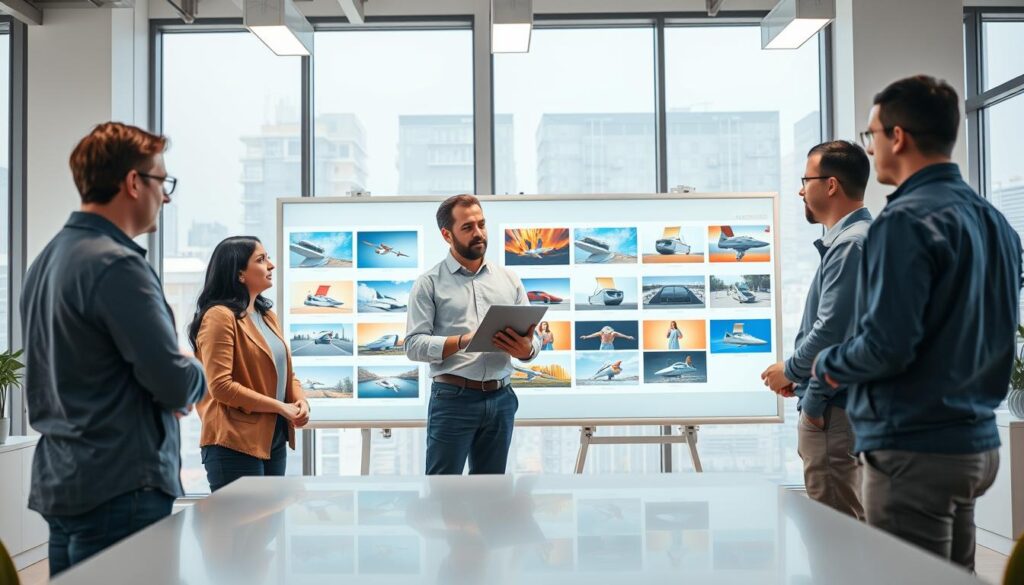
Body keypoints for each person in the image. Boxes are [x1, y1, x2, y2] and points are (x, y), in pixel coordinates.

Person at [812, 75, 1021, 570]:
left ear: (897, 136)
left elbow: (886, 346)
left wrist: (825, 365)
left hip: (913, 450)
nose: (872, 147)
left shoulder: (905, 221)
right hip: (974, 445)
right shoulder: (995, 222)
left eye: (871, 135)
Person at [20, 122, 207, 576]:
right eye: (162, 181)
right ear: (132, 182)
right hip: (122, 488)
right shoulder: (117, 265)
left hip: (65, 481)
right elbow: (172, 379)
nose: (165, 196)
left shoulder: (47, 260)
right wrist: (194, 371)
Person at [760, 140, 872, 519]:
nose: (799, 190)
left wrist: (795, 378)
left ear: (831, 185)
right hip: (841, 405)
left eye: (805, 179)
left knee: (836, 535)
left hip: (832, 411)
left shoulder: (850, 246)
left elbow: (831, 334)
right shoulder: (861, 239)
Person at [406, 194, 542, 475]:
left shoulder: (509, 279)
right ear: (447, 234)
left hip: (501, 398)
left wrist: (527, 349)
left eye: (481, 224)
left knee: (492, 495)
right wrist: (464, 341)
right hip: (453, 400)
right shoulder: (428, 283)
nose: (478, 233)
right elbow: (413, 345)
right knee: (443, 492)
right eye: (468, 227)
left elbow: (534, 338)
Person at [188, 236, 310, 492]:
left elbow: (286, 373)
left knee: (266, 530)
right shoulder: (219, 316)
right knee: (239, 531)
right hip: (233, 442)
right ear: (240, 274)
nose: (271, 265)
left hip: (272, 438)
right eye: (261, 259)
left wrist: (300, 401)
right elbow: (221, 386)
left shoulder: (267, 316)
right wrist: (281, 407)